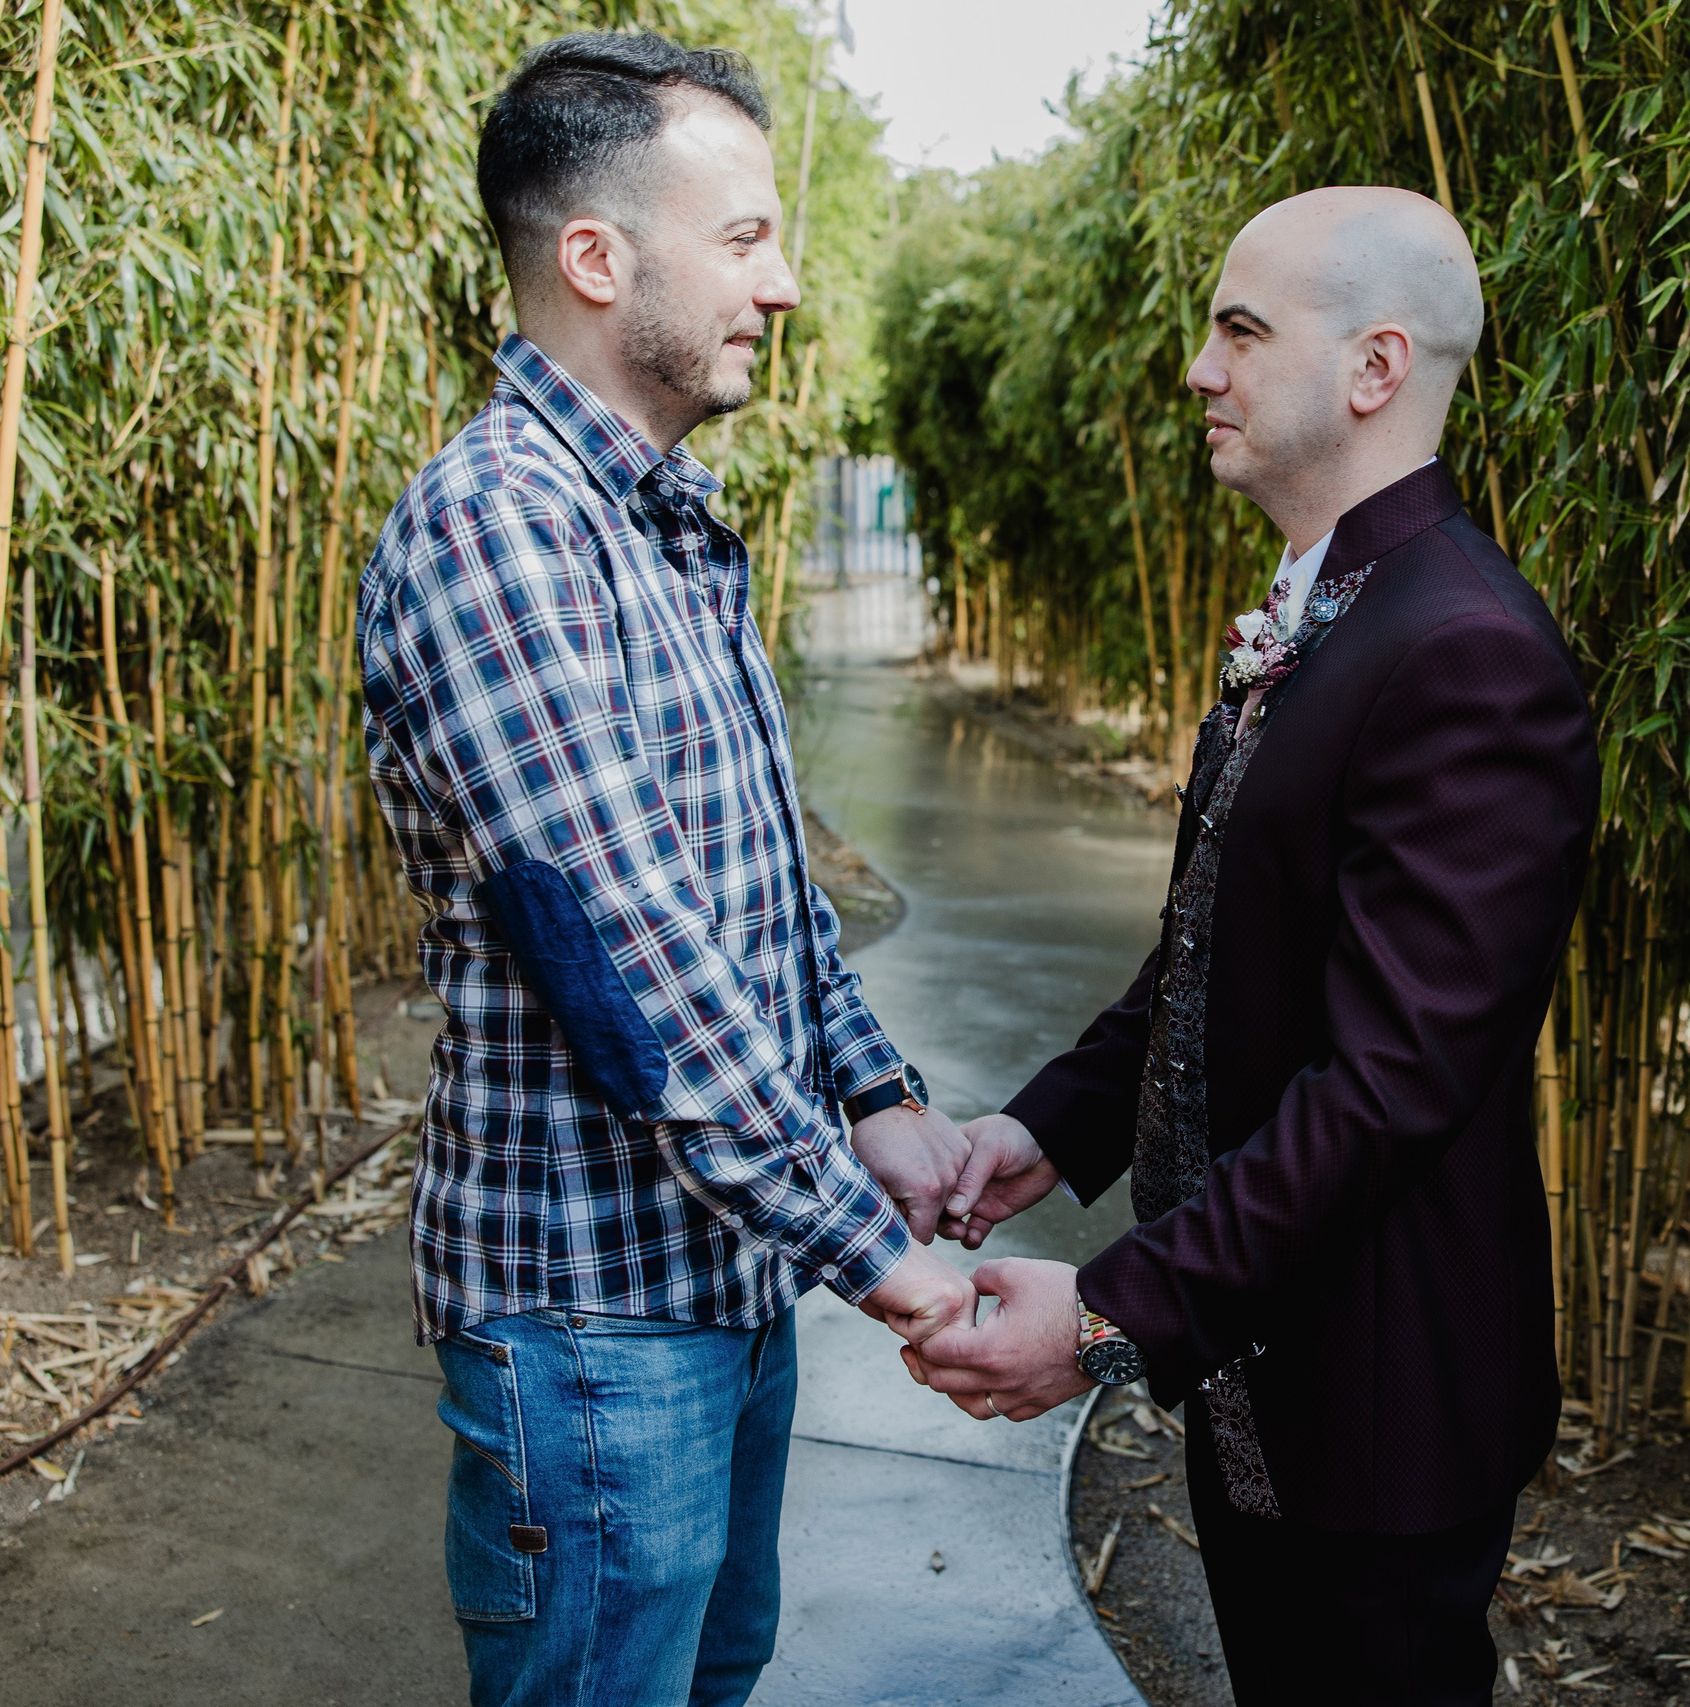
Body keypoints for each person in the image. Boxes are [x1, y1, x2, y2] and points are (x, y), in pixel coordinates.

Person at [912, 187, 1600, 1705]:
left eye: (1239, 331)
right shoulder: (1340, 607)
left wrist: (1110, 1315)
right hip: (1266, 1367)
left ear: (1374, 367)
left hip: (1377, 1405)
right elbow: (1211, 949)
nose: (1198, 369)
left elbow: (1392, 1086)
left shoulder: (1467, 650)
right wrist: (1047, 1129)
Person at [357, 32, 974, 1707]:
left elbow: (756, 883)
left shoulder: (662, 519)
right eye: (746, 238)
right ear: (595, 258)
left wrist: (874, 1092)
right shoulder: (499, 528)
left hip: (723, 1279)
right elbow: (630, 959)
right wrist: (882, 1257)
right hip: (595, 1327)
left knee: (716, 1672)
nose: (785, 283)